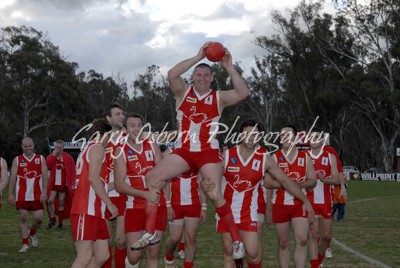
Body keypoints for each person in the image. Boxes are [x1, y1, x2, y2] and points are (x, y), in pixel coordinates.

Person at [133, 42, 250, 260]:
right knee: (152, 178)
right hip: (184, 149)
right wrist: (198, 57)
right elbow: (171, 74)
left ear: (212, 78)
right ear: (193, 77)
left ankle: (236, 240)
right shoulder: (182, 92)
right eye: (199, 74)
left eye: (207, 75)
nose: (203, 78)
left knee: (214, 193)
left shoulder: (219, 97)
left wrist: (229, 66)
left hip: (207, 150)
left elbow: (243, 92)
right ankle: (150, 233)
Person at [209, 119, 315, 268]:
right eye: (247, 133)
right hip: (227, 211)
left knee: (252, 253)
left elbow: (285, 181)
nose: (251, 137)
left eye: (255, 134)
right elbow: (210, 177)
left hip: (249, 212)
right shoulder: (227, 156)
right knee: (229, 252)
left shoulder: (265, 157)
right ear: (240, 135)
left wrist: (305, 200)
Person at [114, 113, 166, 268]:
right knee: (135, 255)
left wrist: (156, 190)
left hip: (157, 205)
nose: (136, 129)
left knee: (153, 252)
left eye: (139, 125)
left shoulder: (152, 145)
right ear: (125, 129)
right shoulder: (120, 151)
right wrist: (145, 194)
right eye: (132, 125)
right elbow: (119, 185)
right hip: (134, 207)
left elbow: (164, 173)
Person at [265, 125, 317, 268]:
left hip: (300, 203)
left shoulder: (305, 157)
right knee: (283, 243)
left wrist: (300, 185)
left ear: (295, 137)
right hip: (280, 204)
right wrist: (286, 185)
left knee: (302, 240)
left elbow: (313, 180)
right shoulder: (274, 157)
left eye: (288, 135)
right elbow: (267, 183)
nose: (285, 138)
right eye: (282, 135)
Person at [70, 118, 118, 268]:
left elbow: (98, 182)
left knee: (103, 255)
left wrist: (120, 184)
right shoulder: (97, 148)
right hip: (86, 209)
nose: (111, 140)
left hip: (95, 211)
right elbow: (93, 179)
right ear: (106, 134)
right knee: (84, 257)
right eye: (111, 136)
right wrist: (110, 203)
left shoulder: (89, 148)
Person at [164, 148, 207, 268]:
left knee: (191, 238)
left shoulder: (198, 153)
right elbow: (166, 182)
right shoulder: (170, 153)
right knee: (174, 238)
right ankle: (168, 257)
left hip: (193, 205)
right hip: (175, 204)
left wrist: (204, 207)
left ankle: (188, 265)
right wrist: (167, 205)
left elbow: (201, 183)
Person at [306, 129, 340, 268]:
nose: (314, 140)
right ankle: (315, 265)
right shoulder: (304, 156)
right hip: (310, 201)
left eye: (317, 137)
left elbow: (337, 179)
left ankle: (319, 262)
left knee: (326, 237)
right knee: (313, 235)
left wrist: (324, 179)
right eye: (311, 137)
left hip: (326, 201)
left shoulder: (329, 156)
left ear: (321, 141)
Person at [8, 137, 48, 253]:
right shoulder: (17, 160)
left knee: (38, 218)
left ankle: (32, 233)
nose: (28, 148)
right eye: (25, 146)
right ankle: (25, 244)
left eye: (30, 146)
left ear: (33, 145)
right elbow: (13, 178)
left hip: (37, 194)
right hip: (22, 194)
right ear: (22, 147)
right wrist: (10, 193)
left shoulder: (40, 158)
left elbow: (45, 176)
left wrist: (44, 191)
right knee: (23, 217)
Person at [103, 103, 128, 268]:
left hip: (125, 196)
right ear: (108, 119)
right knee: (105, 243)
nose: (121, 117)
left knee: (121, 241)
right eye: (117, 114)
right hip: (105, 197)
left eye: (122, 114)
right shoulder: (101, 142)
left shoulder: (130, 139)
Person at [46, 140, 76, 230]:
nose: (57, 149)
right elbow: (48, 166)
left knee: (61, 202)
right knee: (50, 201)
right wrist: (53, 156)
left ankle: (60, 223)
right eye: (55, 147)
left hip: (64, 184)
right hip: (54, 183)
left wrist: (73, 184)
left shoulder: (68, 158)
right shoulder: (51, 157)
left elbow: (72, 171)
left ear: (63, 148)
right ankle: (52, 219)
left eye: (58, 147)